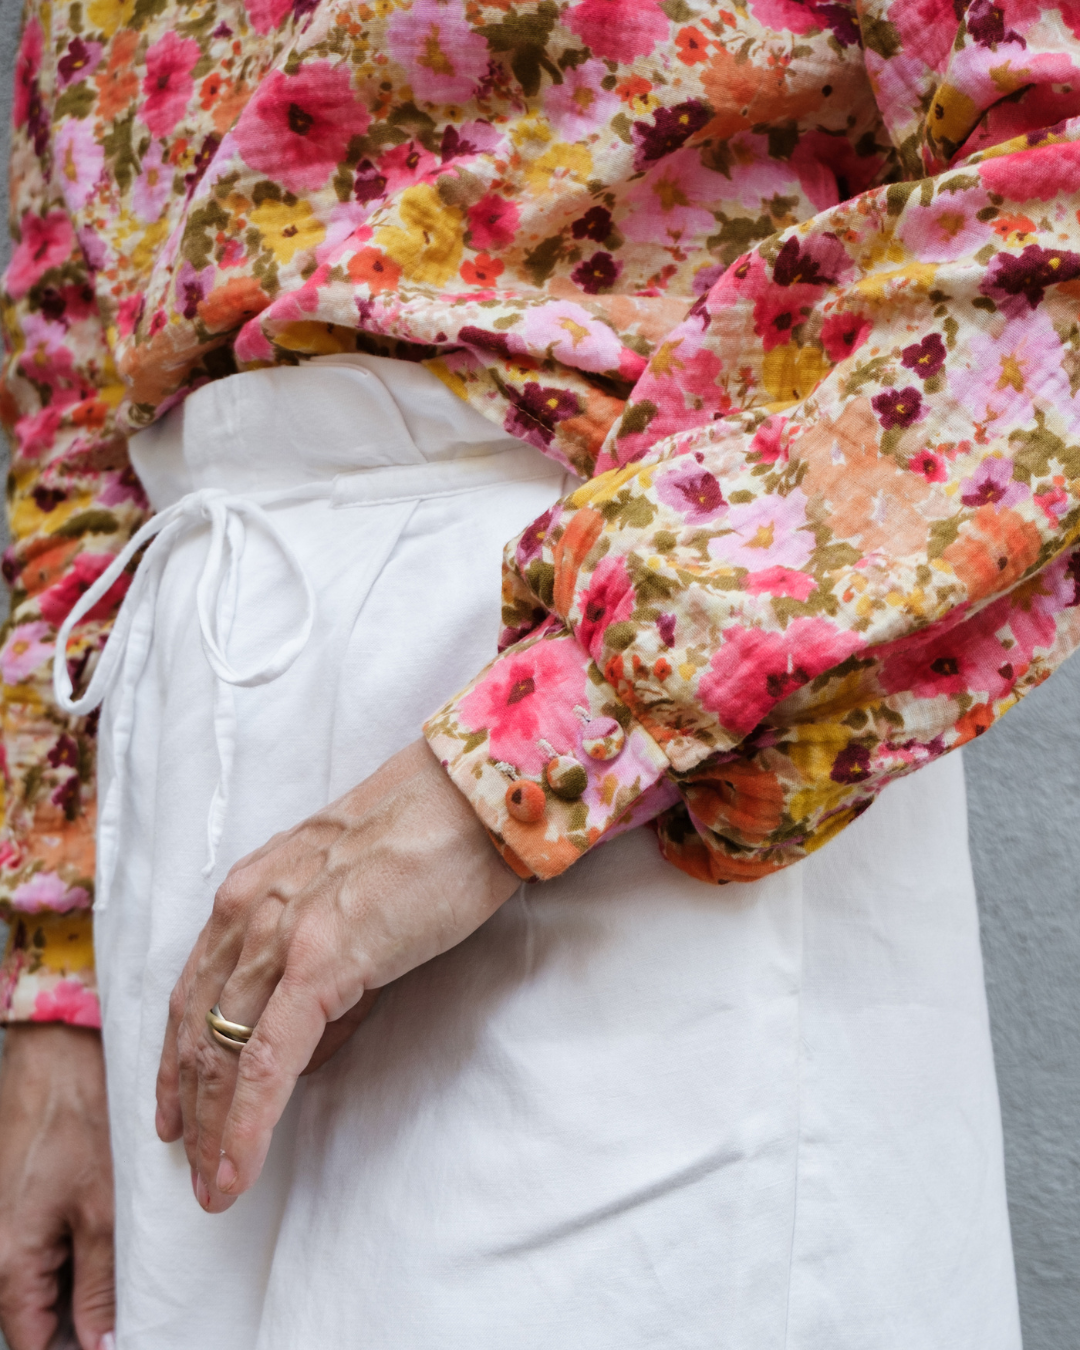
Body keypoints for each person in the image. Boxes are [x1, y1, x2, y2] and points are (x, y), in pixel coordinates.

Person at [1, 0, 1078, 1343]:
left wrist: (533, 750)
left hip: (645, 753)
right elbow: (65, 381)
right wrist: (55, 981)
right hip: (187, 758)